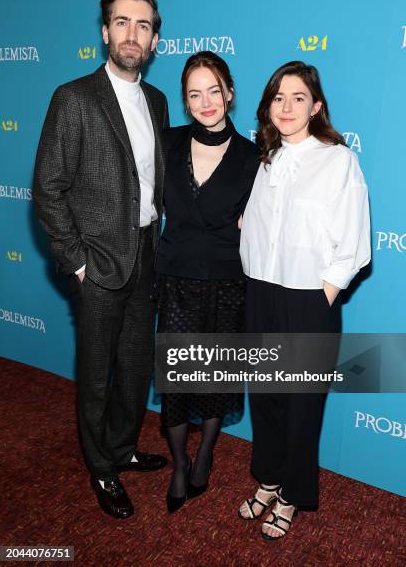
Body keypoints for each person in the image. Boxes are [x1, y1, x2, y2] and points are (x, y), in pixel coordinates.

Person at [33, 0, 169, 520]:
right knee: (95, 374)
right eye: (122, 22)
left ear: (154, 39)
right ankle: (101, 468)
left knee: (135, 371)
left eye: (143, 25)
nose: (131, 34)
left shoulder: (156, 101)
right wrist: (78, 261)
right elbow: (48, 187)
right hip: (98, 262)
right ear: (104, 31)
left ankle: (122, 446)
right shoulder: (74, 97)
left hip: (146, 255)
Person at [238, 61, 371, 538]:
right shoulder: (266, 158)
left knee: (301, 404)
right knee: (267, 397)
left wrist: (323, 296)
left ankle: (293, 493)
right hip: (261, 292)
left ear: (316, 106)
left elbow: (354, 243)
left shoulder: (338, 160)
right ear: (268, 107)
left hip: (307, 301)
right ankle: (269, 479)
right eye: (278, 97)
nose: (287, 106)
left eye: (298, 97)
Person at [155, 51, 259, 512]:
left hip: (226, 283)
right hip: (176, 278)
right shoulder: (167, 143)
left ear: (229, 93)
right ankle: (179, 463)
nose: (205, 102)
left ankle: (206, 455)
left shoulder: (253, 156)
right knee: (177, 379)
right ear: (186, 101)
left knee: (216, 378)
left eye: (213, 90)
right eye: (194, 94)